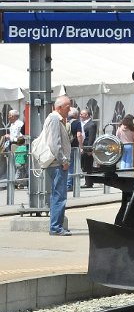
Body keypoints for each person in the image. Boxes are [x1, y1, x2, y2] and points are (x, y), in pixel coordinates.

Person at [43, 95, 73, 236]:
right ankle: (55, 227)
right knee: (59, 196)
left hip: (56, 164)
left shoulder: (56, 118)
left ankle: (57, 225)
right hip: (57, 164)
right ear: (60, 107)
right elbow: (54, 143)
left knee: (57, 195)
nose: (70, 109)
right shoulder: (55, 119)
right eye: (68, 107)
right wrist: (64, 161)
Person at [78, 109, 98, 187]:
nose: (80, 115)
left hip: (87, 148)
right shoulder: (83, 124)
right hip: (83, 147)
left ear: (87, 115)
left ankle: (89, 182)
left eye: (82, 114)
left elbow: (91, 138)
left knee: (88, 165)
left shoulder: (91, 124)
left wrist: (89, 149)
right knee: (84, 165)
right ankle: (88, 181)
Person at [66, 107, 80, 191]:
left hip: (64, 146)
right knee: (72, 166)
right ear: (75, 114)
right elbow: (79, 135)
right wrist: (81, 146)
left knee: (64, 165)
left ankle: (66, 184)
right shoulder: (77, 122)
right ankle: (69, 185)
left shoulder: (64, 121)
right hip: (73, 146)